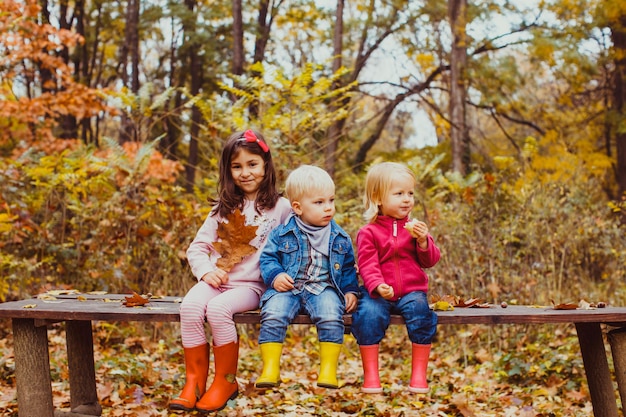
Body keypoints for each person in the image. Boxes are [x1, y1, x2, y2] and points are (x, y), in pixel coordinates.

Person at [169, 130, 292, 413]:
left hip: (251, 286)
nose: (245, 172)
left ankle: (225, 382)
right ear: (228, 170)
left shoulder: (281, 208)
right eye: (236, 166)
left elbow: (297, 243)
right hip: (217, 280)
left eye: (252, 164)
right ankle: (194, 382)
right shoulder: (222, 208)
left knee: (219, 310)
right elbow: (197, 249)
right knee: (189, 307)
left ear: (266, 166)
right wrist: (206, 272)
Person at [255, 165, 360, 389]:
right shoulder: (282, 232)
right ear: (297, 207)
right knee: (273, 313)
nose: (328, 208)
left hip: (323, 288)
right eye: (319, 202)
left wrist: (351, 290)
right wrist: (276, 276)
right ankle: (270, 369)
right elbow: (267, 259)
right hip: (288, 288)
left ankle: (328, 371)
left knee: (332, 315)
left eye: (331, 200)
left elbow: (349, 267)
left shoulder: (339, 236)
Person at [350, 161, 440, 394]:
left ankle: (419, 375)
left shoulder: (414, 228)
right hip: (378, 292)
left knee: (421, 312)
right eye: (399, 193)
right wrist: (378, 285)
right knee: (368, 315)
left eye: (410, 193)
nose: (407, 199)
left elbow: (430, 260)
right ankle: (371, 376)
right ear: (378, 198)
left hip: (411, 291)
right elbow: (367, 264)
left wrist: (423, 241)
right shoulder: (368, 232)